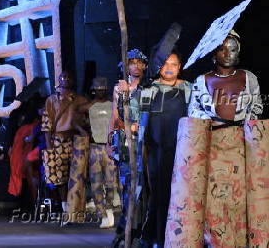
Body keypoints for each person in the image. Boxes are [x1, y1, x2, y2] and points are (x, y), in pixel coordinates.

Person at [165, 30, 269, 247]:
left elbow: (257, 107)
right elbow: (194, 112)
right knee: (214, 201)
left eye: (233, 48)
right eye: (222, 48)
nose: (227, 53)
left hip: (241, 145)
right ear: (214, 52)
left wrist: (243, 122)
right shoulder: (203, 80)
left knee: (238, 200)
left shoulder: (248, 78)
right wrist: (213, 121)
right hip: (212, 146)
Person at [140, 50, 191, 247]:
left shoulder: (189, 89)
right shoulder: (149, 89)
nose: (169, 68)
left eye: (174, 64)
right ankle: (157, 237)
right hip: (157, 150)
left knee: (181, 195)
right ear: (159, 67)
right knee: (159, 194)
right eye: (165, 64)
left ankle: (182, 238)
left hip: (182, 150)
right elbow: (138, 119)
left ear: (180, 67)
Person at [108, 49, 148, 247]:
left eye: (140, 62)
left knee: (142, 189)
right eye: (132, 62)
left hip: (144, 141)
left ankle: (139, 230)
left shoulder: (149, 88)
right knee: (128, 189)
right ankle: (124, 231)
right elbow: (115, 116)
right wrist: (110, 141)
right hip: (125, 143)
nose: (136, 66)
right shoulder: (119, 88)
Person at [41, 71, 89, 222]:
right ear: (59, 80)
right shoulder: (52, 100)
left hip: (75, 140)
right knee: (60, 177)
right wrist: (50, 148)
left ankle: (76, 209)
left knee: (76, 176)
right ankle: (64, 208)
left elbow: (86, 121)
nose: (66, 79)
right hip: (57, 141)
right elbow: (47, 124)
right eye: (63, 77)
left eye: (69, 77)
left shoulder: (80, 100)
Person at [80, 77, 116, 228]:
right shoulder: (88, 106)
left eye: (103, 86)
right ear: (93, 89)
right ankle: (102, 214)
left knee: (111, 183)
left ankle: (109, 209)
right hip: (94, 148)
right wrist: (83, 130)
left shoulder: (112, 105)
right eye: (97, 87)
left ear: (107, 88)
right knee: (95, 184)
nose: (100, 89)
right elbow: (75, 115)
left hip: (109, 148)